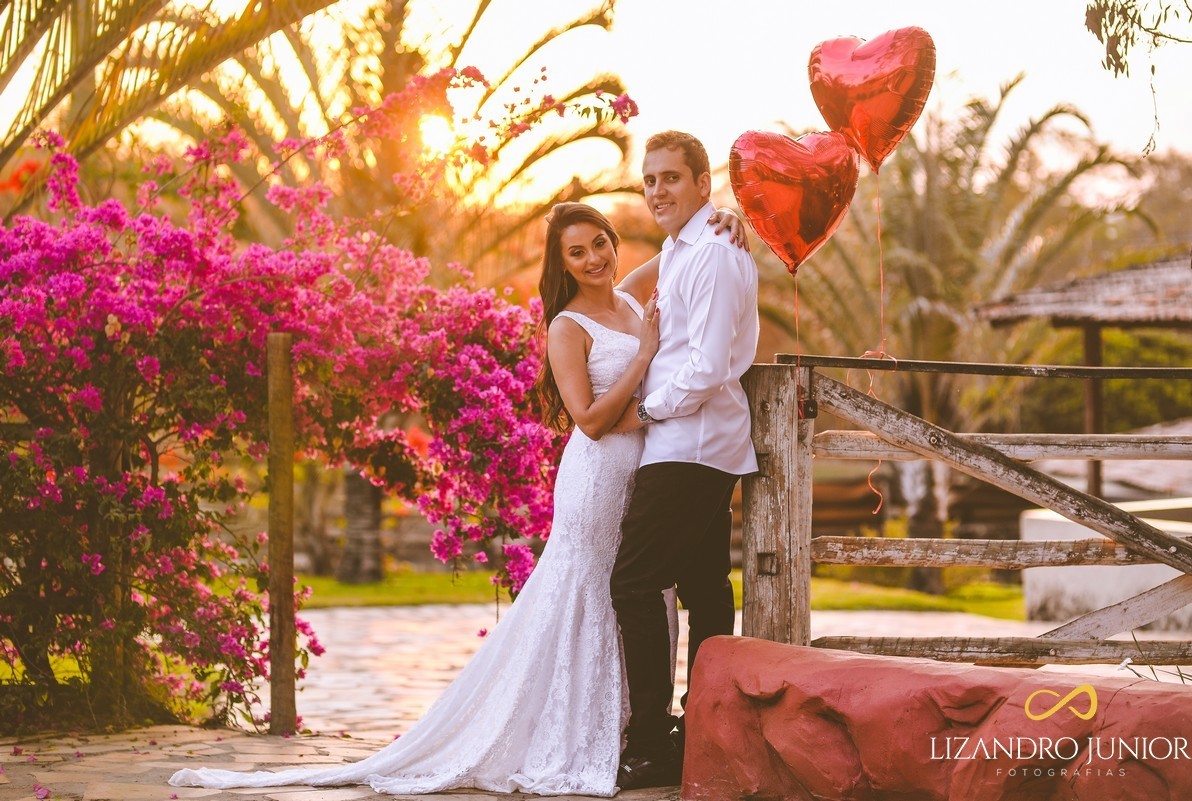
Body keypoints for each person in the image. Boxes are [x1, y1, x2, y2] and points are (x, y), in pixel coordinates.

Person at [169, 202, 746, 797]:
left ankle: (627, 728)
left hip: (644, 471)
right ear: (562, 265)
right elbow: (592, 421)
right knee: (591, 591)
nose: (595, 258)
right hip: (599, 474)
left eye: (600, 242)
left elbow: (677, 253)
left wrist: (722, 220)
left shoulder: (627, 299)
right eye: (578, 252)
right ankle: (573, 730)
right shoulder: (568, 327)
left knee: (631, 593)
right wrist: (646, 355)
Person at [610, 131, 760, 791]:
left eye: (672, 177)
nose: (658, 190)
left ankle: (650, 742)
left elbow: (705, 367)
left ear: (705, 182)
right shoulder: (681, 250)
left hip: (690, 444)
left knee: (633, 583)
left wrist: (645, 412)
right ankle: (704, 732)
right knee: (703, 589)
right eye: (649, 180)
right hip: (692, 442)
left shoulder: (718, 255)